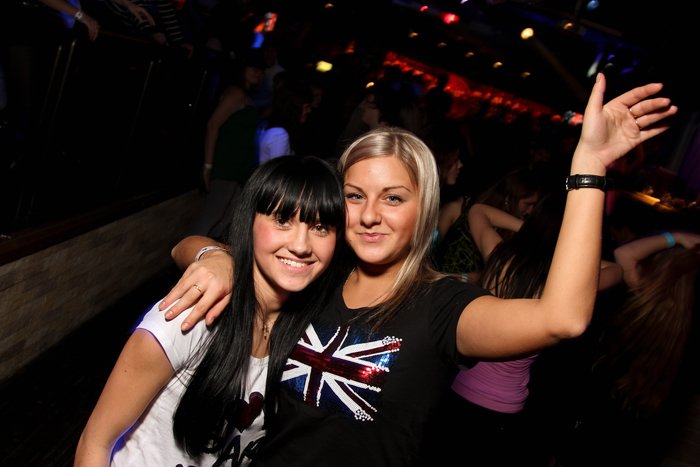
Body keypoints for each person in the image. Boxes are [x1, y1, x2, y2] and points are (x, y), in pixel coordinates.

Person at [159, 74, 677, 465]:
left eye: (393, 198)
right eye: (355, 196)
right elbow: (184, 245)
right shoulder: (315, 274)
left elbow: (563, 318)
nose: (369, 215)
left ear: (424, 208)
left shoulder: (441, 307)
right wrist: (218, 259)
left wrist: (588, 168)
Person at [74, 155, 347, 466]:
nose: (301, 245)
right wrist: (212, 254)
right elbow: (95, 443)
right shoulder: (191, 313)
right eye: (282, 220)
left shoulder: (310, 335)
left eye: (320, 227)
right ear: (250, 221)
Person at [428, 193, 623, 466]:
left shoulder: (498, 256)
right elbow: (616, 270)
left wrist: (535, 234)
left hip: (457, 390)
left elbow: (479, 211)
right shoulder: (561, 291)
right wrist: (562, 243)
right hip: (504, 407)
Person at [543, 230, 700, 466]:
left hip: (600, 411)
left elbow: (624, 254)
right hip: (642, 425)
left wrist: (675, 237)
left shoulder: (647, 300)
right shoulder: (687, 326)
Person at [186, 49, 265, 240]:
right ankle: (186, 253)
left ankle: (206, 252)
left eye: (261, 70)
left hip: (238, 167)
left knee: (225, 216)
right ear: (242, 69)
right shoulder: (235, 93)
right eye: (253, 68)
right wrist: (208, 165)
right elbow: (212, 125)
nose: (258, 73)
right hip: (226, 165)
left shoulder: (244, 95)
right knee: (212, 214)